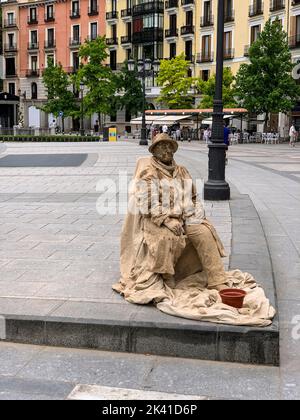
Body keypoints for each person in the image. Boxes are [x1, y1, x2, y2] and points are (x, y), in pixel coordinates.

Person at [113, 133, 275, 326]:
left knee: (204, 232)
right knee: (166, 237)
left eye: (169, 147)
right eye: (161, 147)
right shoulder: (149, 172)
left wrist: (194, 217)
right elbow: (147, 202)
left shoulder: (182, 171)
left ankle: (217, 279)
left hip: (185, 217)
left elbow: (194, 198)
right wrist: (166, 220)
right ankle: (167, 276)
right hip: (157, 221)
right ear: (154, 151)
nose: (166, 150)